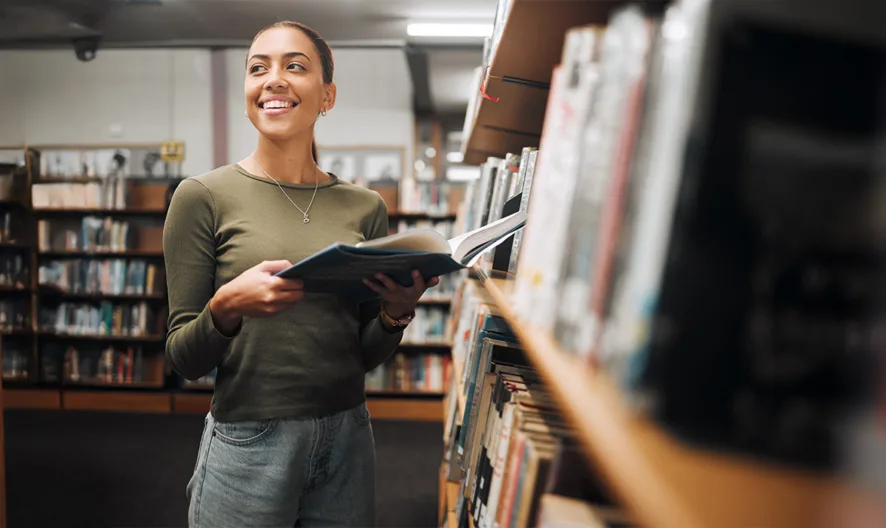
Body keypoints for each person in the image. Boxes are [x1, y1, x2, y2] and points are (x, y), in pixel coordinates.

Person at [162, 20, 439, 528]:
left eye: (295, 66)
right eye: (257, 69)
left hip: (349, 436)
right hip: (249, 440)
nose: (273, 79)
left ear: (326, 95)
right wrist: (226, 307)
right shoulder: (201, 196)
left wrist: (397, 312)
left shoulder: (365, 206)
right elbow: (183, 358)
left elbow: (362, 355)